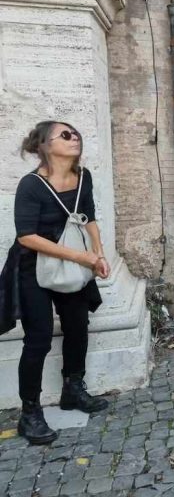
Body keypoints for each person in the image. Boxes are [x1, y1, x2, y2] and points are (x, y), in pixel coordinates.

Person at [14, 122, 111, 444]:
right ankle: (30, 413)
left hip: (75, 266)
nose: (75, 139)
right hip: (35, 270)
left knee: (77, 326)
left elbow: (90, 217)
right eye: (65, 135)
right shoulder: (31, 185)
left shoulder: (84, 178)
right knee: (38, 338)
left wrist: (98, 255)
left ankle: (73, 389)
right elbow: (27, 236)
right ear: (44, 144)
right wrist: (79, 257)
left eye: (77, 134)